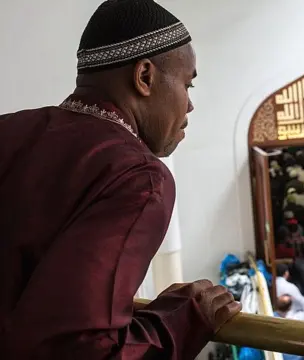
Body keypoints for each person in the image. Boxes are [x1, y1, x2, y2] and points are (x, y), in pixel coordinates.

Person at [0, 1, 241, 358]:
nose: (189, 105)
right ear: (144, 77)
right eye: (188, 85)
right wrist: (183, 320)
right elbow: (78, 348)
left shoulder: (9, 129)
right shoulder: (138, 177)